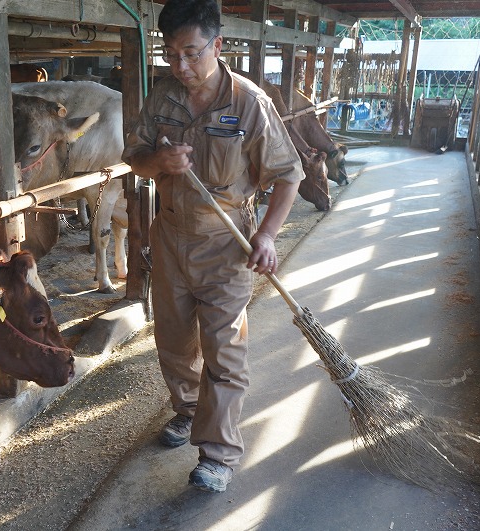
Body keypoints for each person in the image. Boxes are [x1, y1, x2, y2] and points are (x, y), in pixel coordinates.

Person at [121, 0, 305, 493]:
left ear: (217, 46)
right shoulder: (162, 98)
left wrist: (266, 236)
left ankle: (218, 455)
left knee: (224, 349)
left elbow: (289, 176)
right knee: (175, 342)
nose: (180, 66)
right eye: (171, 54)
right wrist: (159, 160)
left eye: (190, 53)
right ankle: (186, 411)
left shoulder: (248, 103)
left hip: (227, 243)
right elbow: (135, 160)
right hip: (170, 237)